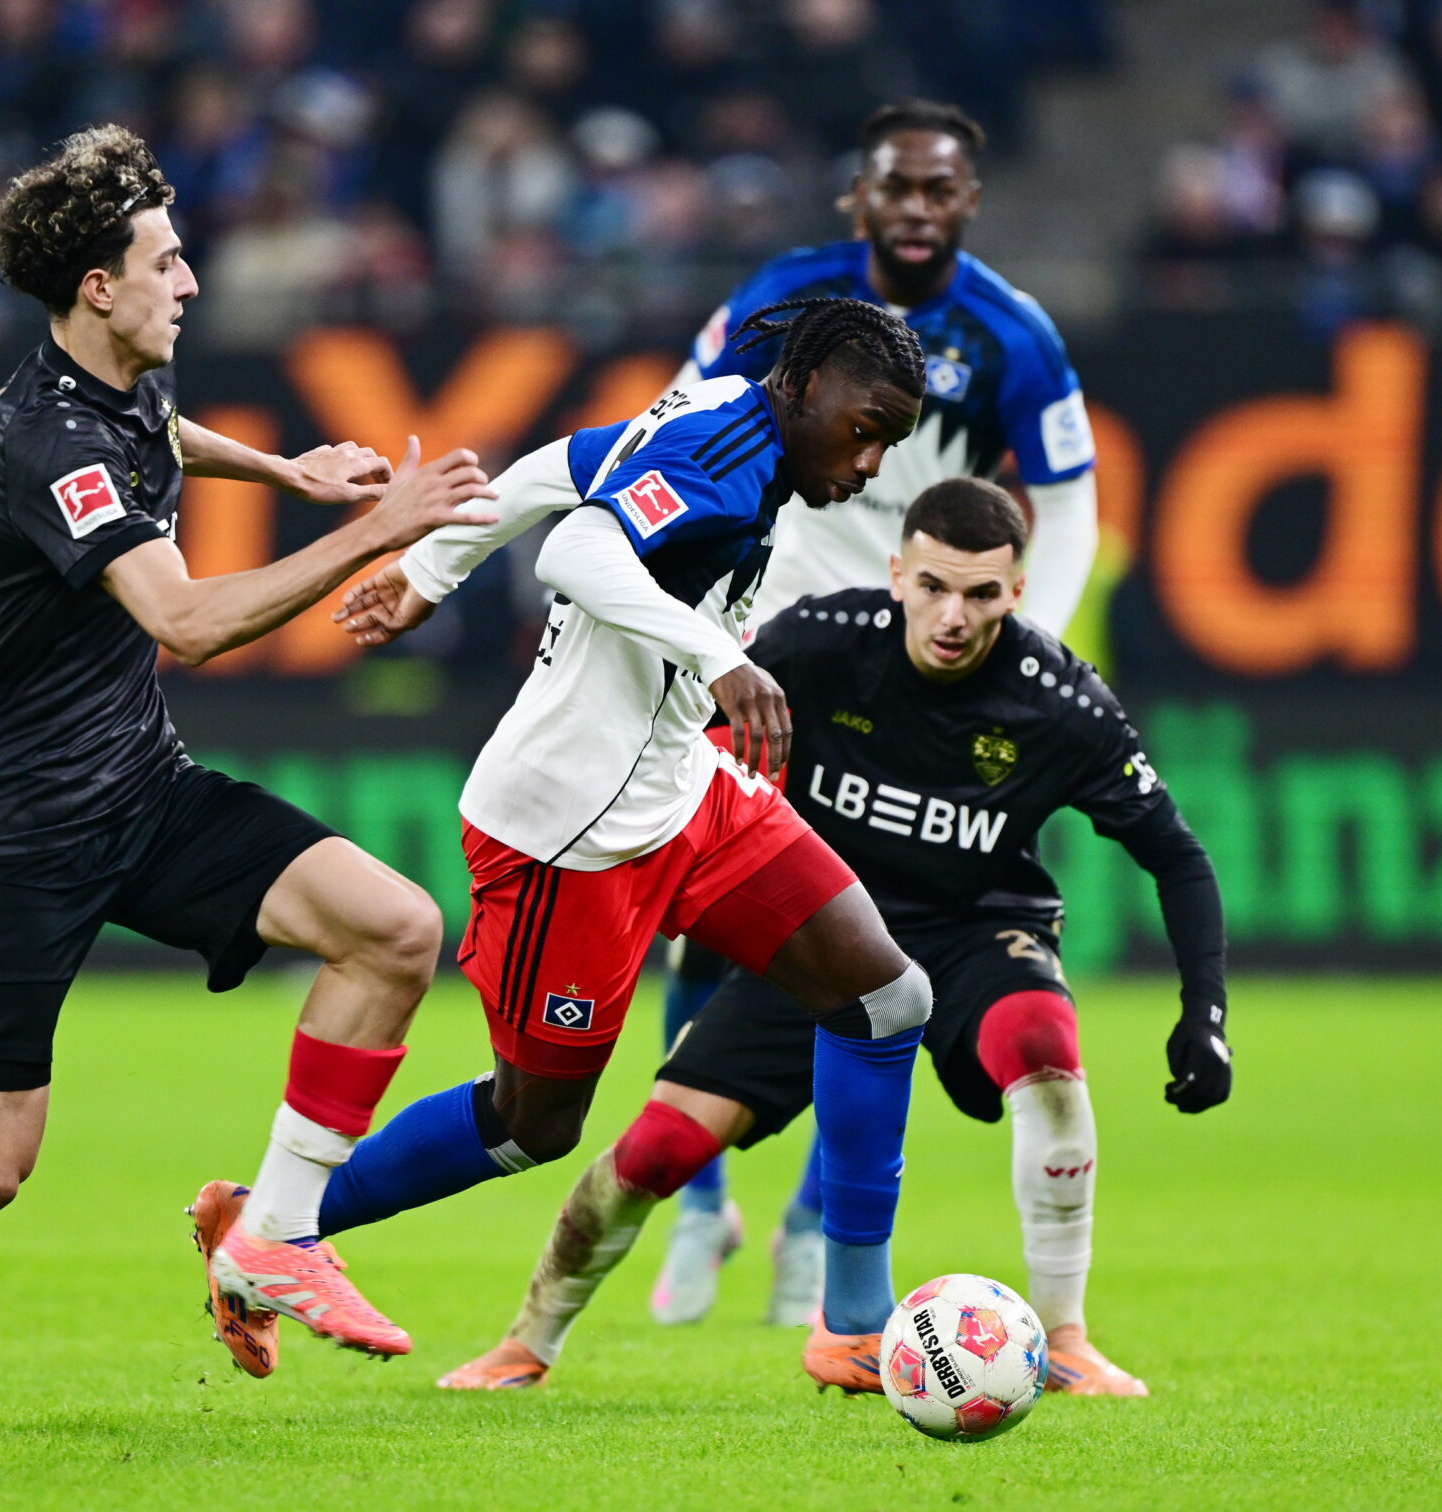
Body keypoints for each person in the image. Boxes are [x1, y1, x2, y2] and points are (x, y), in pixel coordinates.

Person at [0, 126, 498, 1446]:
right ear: (96, 288)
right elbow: (183, 624)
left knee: (395, 926)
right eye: (167, 263)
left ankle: (268, 1235)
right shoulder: (47, 435)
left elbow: (163, 432)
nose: (193, 283)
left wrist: (284, 471)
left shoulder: (114, 388)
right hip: (9, 836)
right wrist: (372, 528)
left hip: (136, 787)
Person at [246, 297, 934, 1386]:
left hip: (682, 789)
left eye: (891, 442)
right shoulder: (722, 446)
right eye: (864, 428)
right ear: (802, 389)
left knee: (885, 998)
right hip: (566, 835)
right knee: (532, 1128)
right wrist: (720, 658)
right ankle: (268, 1223)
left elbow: (550, 471)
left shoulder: (716, 402)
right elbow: (576, 547)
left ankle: (851, 1322)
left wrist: (431, 575)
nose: (869, 462)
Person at [436, 479, 1230, 1396]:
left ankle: (1069, 1339)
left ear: (1017, 593)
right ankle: (527, 1342)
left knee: (1045, 1052)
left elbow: (1177, 855)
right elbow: (670, 734)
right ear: (897, 573)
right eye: (933, 586)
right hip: (818, 940)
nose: (953, 616)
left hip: (976, 932)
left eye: (982, 596)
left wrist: (1204, 1011)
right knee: (656, 1150)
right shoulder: (820, 643)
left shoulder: (1061, 702)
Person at [656, 98, 1103, 1326]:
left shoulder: (1012, 334)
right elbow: (685, 425)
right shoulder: (785, 295)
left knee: (863, 942)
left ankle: (810, 1226)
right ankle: (697, 1211)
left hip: (914, 656)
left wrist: (1029, 632)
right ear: (859, 194)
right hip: (769, 640)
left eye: (938, 191)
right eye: (895, 188)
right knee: (699, 912)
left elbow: (1065, 498)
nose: (915, 209)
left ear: (969, 200)